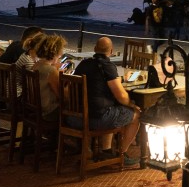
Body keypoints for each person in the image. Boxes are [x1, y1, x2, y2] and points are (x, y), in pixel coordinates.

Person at [70, 36, 141, 164]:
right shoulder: (107, 66)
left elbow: (97, 81)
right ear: (112, 51)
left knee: (112, 107)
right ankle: (121, 154)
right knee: (135, 115)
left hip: (74, 118)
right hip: (95, 120)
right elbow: (121, 96)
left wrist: (120, 79)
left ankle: (106, 150)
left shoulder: (83, 64)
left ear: (95, 49)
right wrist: (132, 105)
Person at [34, 34, 65, 122]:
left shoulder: (36, 65)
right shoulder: (50, 71)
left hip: (36, 108)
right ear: (56, 52)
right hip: (48, 112)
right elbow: (61, 96)